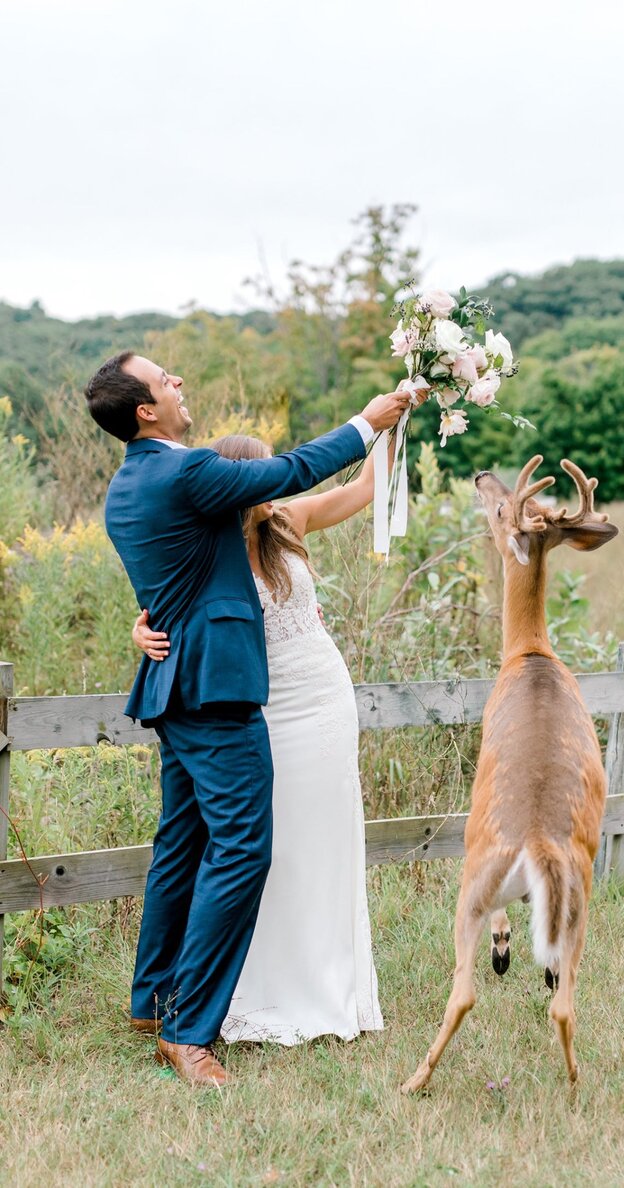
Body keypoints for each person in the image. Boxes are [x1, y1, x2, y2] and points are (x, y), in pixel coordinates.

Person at [84, 351, 411, 1086]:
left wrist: (146, 625)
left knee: (181, 845)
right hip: (218, 692)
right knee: (242, 850)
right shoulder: (184, 470)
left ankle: (153, 996)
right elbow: (287, 473)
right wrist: (369, 421)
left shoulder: (128, 486)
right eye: (165, 379)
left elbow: (183, 574)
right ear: (144, 410)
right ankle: (189, 1031)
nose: (178, 383)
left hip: (179, 688)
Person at [132, 430, 398, 1048]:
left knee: (324, 838)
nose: (270, 492)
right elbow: (163, 605)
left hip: (323, 696)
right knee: (257, 848)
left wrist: (398, 418)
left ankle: (327, 981)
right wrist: (138, 634)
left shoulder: (289, 519)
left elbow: (364, 487)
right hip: (255, 706)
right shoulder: (203, 543)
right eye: (260, 480)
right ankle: (249, 989)